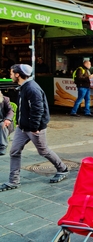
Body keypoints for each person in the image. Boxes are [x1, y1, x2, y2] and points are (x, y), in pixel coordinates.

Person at [1, 64, 69, 192]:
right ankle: (13, 181)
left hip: (33, 128)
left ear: (17, 74)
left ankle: (62, 168)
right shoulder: (23, 87)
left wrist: (34, 127)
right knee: (14, 152)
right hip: (22, 128)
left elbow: (38, 109)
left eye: (11, 73)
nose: (9, 75)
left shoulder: (32, 88)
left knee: (43, 151)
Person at [0, 91, 14, 156]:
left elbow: (10, 111)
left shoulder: (5, 99)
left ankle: (3, 147)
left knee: (2, 125)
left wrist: (8, 119)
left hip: (3, 120)